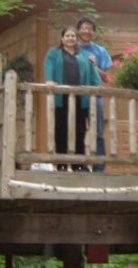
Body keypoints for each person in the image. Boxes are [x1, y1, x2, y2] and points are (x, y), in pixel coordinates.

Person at [44, 26, 101, 171]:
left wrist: (96, 86)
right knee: (61, 131)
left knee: (80, 131)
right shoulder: (53, 54)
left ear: (77, 39)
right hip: (60, 98)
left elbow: (95, 79)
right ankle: (62, 164)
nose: (71, 38)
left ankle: (78, 165)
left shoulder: (86, 56)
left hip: (80, 100)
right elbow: (49, 67)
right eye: (68, 36)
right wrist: (49, 80)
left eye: (73, 36)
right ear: (62, 39)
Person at [76, 16, 112, 172]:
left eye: (90, 28)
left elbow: (106, 77)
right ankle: (81, 165)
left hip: (95, 94)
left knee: (98, 131)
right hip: (76, 94)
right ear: (78, 30)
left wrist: (94, 66)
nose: (87, 31)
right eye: (84, 27)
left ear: (93, 32)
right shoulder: (72, 49)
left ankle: (99, 167)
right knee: (78, 130)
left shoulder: (100, 51)